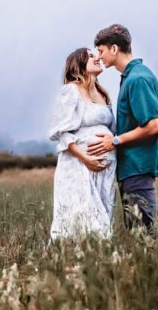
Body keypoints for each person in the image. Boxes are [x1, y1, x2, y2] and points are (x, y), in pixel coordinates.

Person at [87, 24, 158, 233]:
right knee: (137, 232)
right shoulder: (130, 77)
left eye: (101, 51)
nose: (99, 57)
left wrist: (114, 140)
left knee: (145, 235)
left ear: (114, 49)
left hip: (138, 168)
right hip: (130, 169)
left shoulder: (138, 78)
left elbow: (154, 125)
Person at [48, 48, 117, 240]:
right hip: (78, 166)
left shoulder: (103, 93)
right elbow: (60, 132)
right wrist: (86, 158)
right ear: (79, 64)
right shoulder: (71, 90)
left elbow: (112, 130)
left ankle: (98, 266)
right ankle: (71, 263)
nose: (98, 58)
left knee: (103, 215)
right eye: (91, 56)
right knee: (82, 219)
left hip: (105, 168)